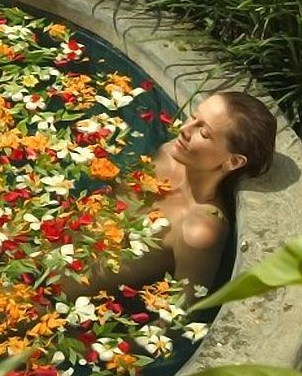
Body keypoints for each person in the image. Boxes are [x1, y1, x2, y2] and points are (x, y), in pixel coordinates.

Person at [60, 91, 277, 303]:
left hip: (53, 299)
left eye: (204, 133)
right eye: (193, 117)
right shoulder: (167, 155)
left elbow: (183, 307)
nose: (184, 129)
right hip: (43, 242)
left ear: (233, 162)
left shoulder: (198, 229)